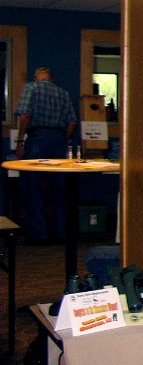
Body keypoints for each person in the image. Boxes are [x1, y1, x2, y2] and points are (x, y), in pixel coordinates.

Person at [14, 66, 77, 243]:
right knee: (59, 188)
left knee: (33, 187)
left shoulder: (31, 88)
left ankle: (38, 234)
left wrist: (20, 141)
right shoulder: (63, 93)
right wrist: (62, 139)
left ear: (36, 77)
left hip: (38, 138)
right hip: (59, 140)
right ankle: (60, 231)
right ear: (51, 78)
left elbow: (25, 115)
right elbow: (72, 122)